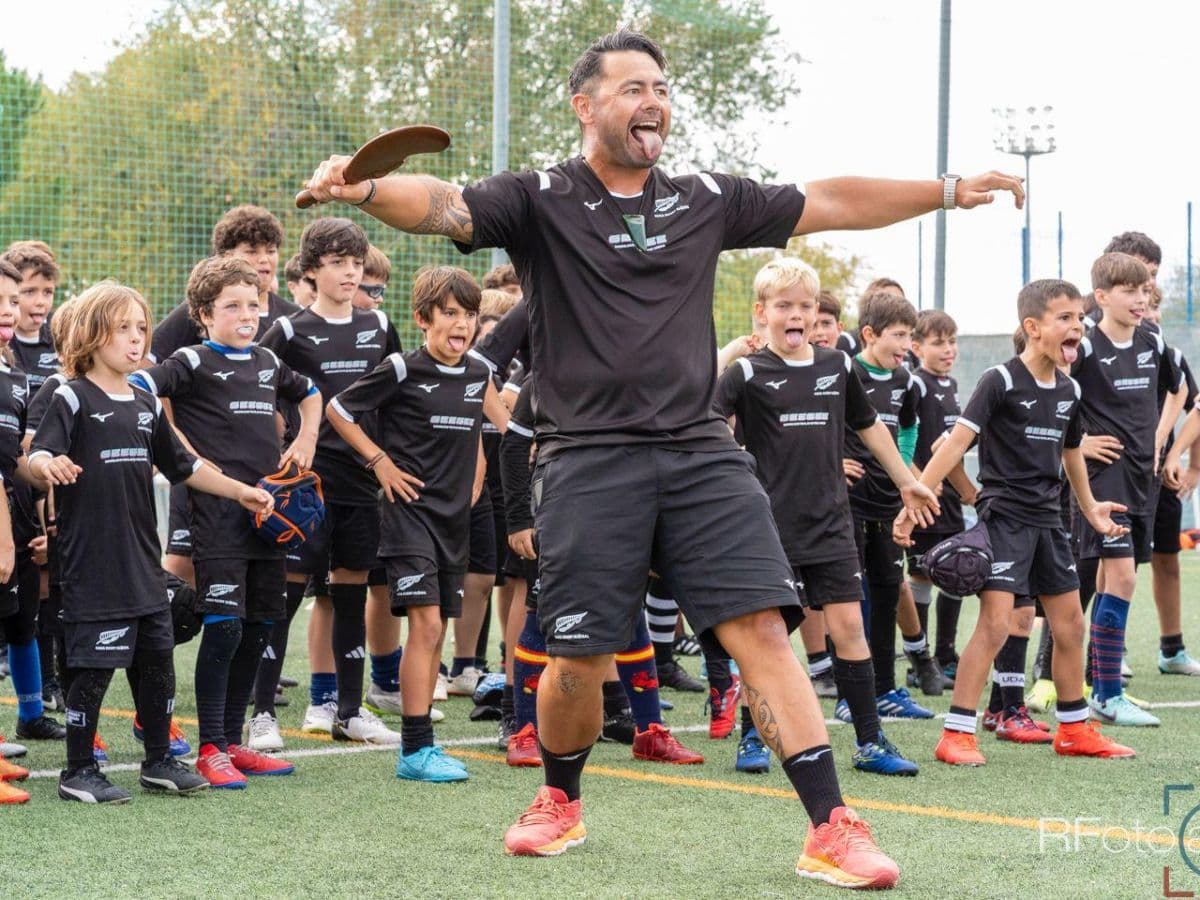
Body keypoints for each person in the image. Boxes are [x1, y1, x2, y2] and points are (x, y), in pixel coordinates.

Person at [300, 27, 1023, 888]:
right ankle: (559, 798)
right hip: (585, 461)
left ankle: (831, 824)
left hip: (699, 455)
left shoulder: (704, 197)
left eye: (662, 88)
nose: (655, 102)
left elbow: (826, 199)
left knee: (761, 629)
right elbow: (444, 202)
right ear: (586, 104)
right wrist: (369, 187)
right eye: (634, 87)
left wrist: (945, 190)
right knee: (578, 660)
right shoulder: (537, 198)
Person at [30, 282, 274, 803]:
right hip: (92, 561)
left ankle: (159, 761)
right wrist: (46, 465)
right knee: (94, 670)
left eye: (141, 328)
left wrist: (241, 492)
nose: (137, 339)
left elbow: (184, 466)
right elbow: (36, 457)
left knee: (158, 661)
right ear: (94, 335)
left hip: (143, 559)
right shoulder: (70, 395)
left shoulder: (144, 400)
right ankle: (77, 771)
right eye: (124, 328)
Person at [894, 278, 1136, 766]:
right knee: (996, 624)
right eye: (1065, 318)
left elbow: (1070, 454)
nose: (1078, 326)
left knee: (1070, 624)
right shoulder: (999, 380)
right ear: (1032, 327)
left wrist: (1089, 509)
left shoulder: (1069, 388)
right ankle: (957, 732)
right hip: (1003, 519)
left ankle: (1072, 728)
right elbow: (956, 443)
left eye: (1080, 318)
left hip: (1050, 522)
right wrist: (916, 495)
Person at [713, 257, 934, 777]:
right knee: (767, 636)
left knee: (849, 627)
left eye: (806, 306)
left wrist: (906, 479)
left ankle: (869, 740)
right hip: (767, 527)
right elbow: (706, 421)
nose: (797, 315)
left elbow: (870, 426)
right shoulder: (745, 371)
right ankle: (753, 737)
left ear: (817, 314)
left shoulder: (837, 366)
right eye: (784, 305)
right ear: (761, 313)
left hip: (832, 522)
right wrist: (734, 466)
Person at [130, 255, 321, 787]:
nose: (246, 314)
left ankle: (233, 743)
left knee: (261, 625)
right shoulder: (190, 361)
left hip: (268, 515)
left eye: (253, 304)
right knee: (225, 627)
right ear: (202, 314)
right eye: (231, 306)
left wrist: (305, 439)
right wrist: (185, 454)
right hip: (215, 516)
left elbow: (309, 394)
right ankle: (210, 745)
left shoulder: (265, 361)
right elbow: (143, 386)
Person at [328, 265, 508, 780]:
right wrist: (379, 462)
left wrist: (477, 469)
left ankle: (421, 746)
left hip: (455, 520)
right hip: (408, 516)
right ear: (423, 319)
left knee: (439, 628)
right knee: (427, 625)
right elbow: (341, 410)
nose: (462, 325)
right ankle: (414, 749)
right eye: (450, 313)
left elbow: (490, 423)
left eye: (469, 315)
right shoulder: (402, 368)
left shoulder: (477, 372)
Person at [258, 218, 402, 745]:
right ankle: (262, 715)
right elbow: (262, 392)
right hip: (304, 486)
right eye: (338, 263)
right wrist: (277, 451)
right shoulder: (290, 330)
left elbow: (394, 398)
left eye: (356, 262)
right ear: (312, 269)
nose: (349, 272)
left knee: (350, 592)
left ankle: (349, 710)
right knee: (286, 596)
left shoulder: (380, 326)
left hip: (361, 484)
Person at [1072, 253, 1184, 726]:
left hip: (1143, 475)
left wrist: (1161, 442)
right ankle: (1109, 693)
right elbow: (1058, 399)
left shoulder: (1153, 340)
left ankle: (1100, 688)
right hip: (1105, 477)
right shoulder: (1086, 347)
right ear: (1101, 297)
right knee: (1121, 578)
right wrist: (1079, 441)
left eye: (1145, 291)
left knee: (1109, 579)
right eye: (1128, 291)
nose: (1140, 299)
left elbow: (1179, 391)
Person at [842, 291, 934, 719]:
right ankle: (849, 694)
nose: (906, 345)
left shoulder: (907, 380)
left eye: (910, 336)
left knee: (884, 593)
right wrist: (833, 462)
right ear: (869, 334)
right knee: (850, 598)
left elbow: (910, 428)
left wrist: (906, 475)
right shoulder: (844, 373)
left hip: (886, 503)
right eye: (899, 335)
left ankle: (885, 689)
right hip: (847, 503)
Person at [906, 310, 972, 688]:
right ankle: (921, 660)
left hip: (949, 502)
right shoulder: (915, 384)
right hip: (924, 498)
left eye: (952, 341)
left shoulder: (952, 385)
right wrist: (919, 480)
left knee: (954, 571)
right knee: (920, 573)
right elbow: (903, 437)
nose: (948, 350)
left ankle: (946, 656)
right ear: (917, 347)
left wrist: (964, 487)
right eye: (938, 343)